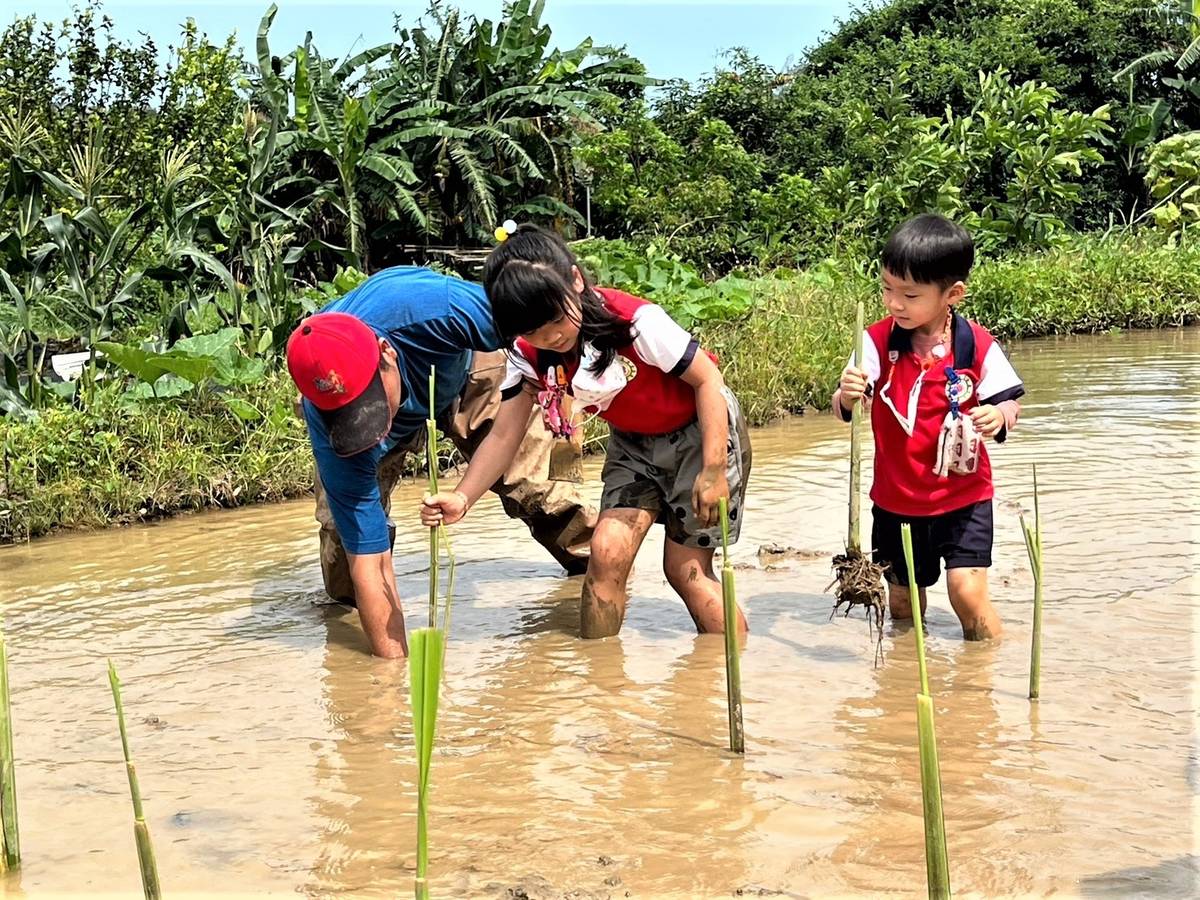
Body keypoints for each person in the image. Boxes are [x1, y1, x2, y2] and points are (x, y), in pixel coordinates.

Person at [421, 225, 752, 638]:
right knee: (606, 551)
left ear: (576, 281)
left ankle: (729, 679)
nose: (551, 337)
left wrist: (714, 470)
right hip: (634, 442)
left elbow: (708, 381)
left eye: (556, 319)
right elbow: (505, 435)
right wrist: (462, 497)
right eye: (532, 331)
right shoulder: (527, 355)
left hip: (701, 433)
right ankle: (600, 687)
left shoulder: (635, 323)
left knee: (685, 571)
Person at [286, 265, 595, 658]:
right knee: (345, 559)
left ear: (386, 354)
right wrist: (392, 677)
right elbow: (370, 560)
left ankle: (603, 577)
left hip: (465, 374)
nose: (372, 426)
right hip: (382, 403)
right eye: (356, 419)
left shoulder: (438, 309)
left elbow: (553, 325)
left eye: (373, 407)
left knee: (538, 491)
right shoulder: (327, 420)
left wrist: (563, 401)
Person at [833, 214, 1024, 640]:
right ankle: (905, 678)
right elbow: (845, 406)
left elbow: (1009, 403)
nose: (894, 303)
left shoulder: (976, 344)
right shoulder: (876, 342)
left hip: (964, 497)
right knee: (902, 602)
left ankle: (986, 679)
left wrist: (999, 416)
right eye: (887, 289)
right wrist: (847, 395)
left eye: (909, 294)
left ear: (952, 294)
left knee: (967, 593)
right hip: (896, 502)